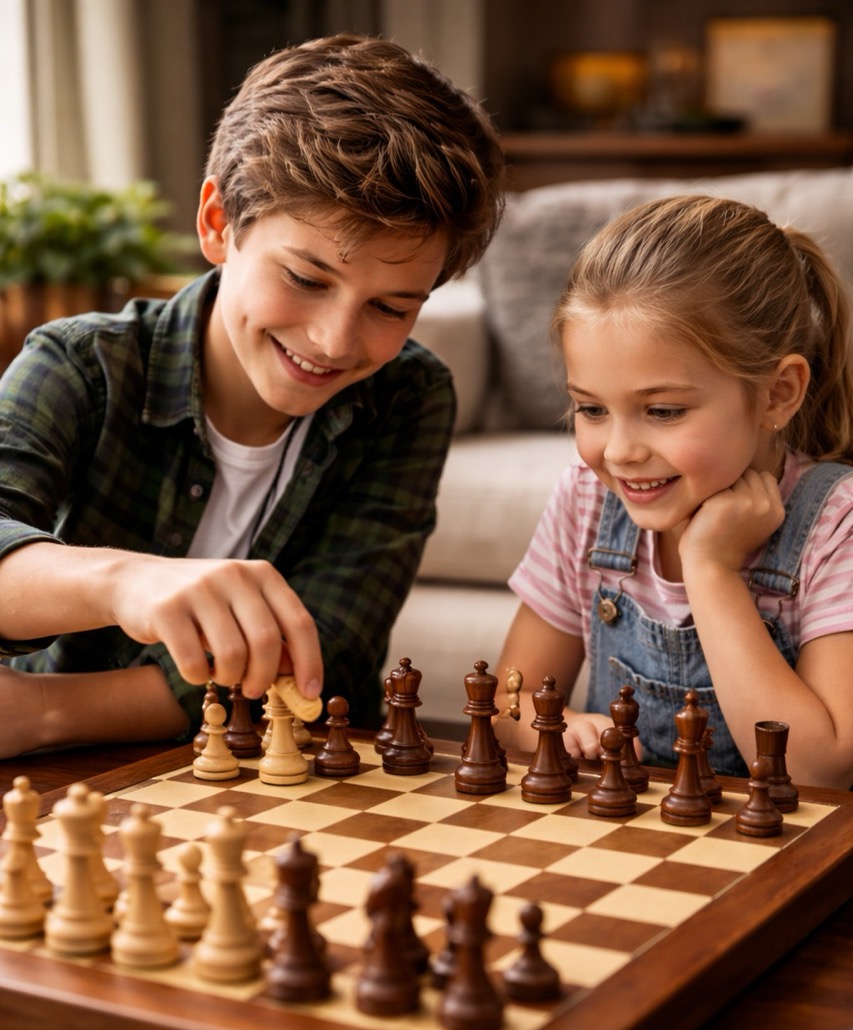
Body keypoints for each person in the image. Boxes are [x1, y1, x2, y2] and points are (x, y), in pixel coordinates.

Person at [0, 33, 505, 757]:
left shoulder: (408, 396)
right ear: (217, 223)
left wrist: (46, 713)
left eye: (391, 308)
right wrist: (123, 581)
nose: (334, 341)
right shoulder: (83, 366)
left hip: (265, 788)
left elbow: (332, 657)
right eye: (304, 278)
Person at [497, 193, 853, 789]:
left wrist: (710, 570)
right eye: (590, 408)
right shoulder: (586, 501)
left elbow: (820, 768)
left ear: (778, 393)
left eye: (662, 410)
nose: (619, 451)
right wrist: (551, 725)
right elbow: (510, 696)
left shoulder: (835, 523)